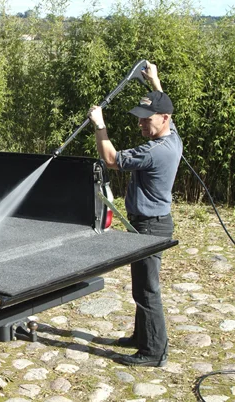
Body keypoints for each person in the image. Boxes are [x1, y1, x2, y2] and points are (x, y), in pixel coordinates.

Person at [87, 62, 182, 367]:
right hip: (151, 224)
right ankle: (142, 337)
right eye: (140, 118)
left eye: (146, 119)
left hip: (149, 227)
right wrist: (155, 81)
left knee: (147, 291)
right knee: (141, 286)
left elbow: (111, 159)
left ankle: (154, 352)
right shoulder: (172, 137)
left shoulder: (154, 151)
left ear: (163, 119)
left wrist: (99, 125)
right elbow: (165, 106)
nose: (141, 124)